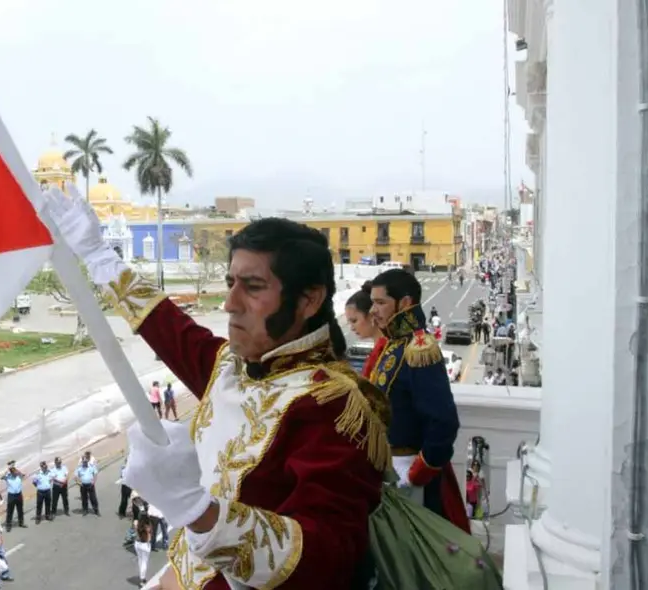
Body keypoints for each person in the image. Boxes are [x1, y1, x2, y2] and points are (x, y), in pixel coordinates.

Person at [47, 191, 390, 589]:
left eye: (253, 286)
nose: (229, 302)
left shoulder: (334, 405)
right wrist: (97, 254)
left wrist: (196, 509)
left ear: (309, 299)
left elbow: (328, 556)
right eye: (230, 282)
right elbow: (166, 325)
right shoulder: (230, 366)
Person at [368, 268, 470, 533]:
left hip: (405, 470)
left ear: (405, 303)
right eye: (373, 303)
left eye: (380, 303)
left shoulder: (419, 349)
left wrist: (416, 473)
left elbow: (443, 421)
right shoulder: (393, 344)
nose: (373, 310)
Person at [345, 281, 387, 377]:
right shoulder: (380, 348)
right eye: (349, 322)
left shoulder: (384, 351)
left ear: (371, 315)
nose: (352, 328)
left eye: (354, 321)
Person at [133, 512, 153, 587]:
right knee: (144, 562)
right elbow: (149, 538)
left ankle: (141, 575)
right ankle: (142, 579)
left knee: (140, 560)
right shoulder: (148, 526)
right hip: (145, 545)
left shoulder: (136, 523)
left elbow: (134, 527)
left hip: (137, 544)